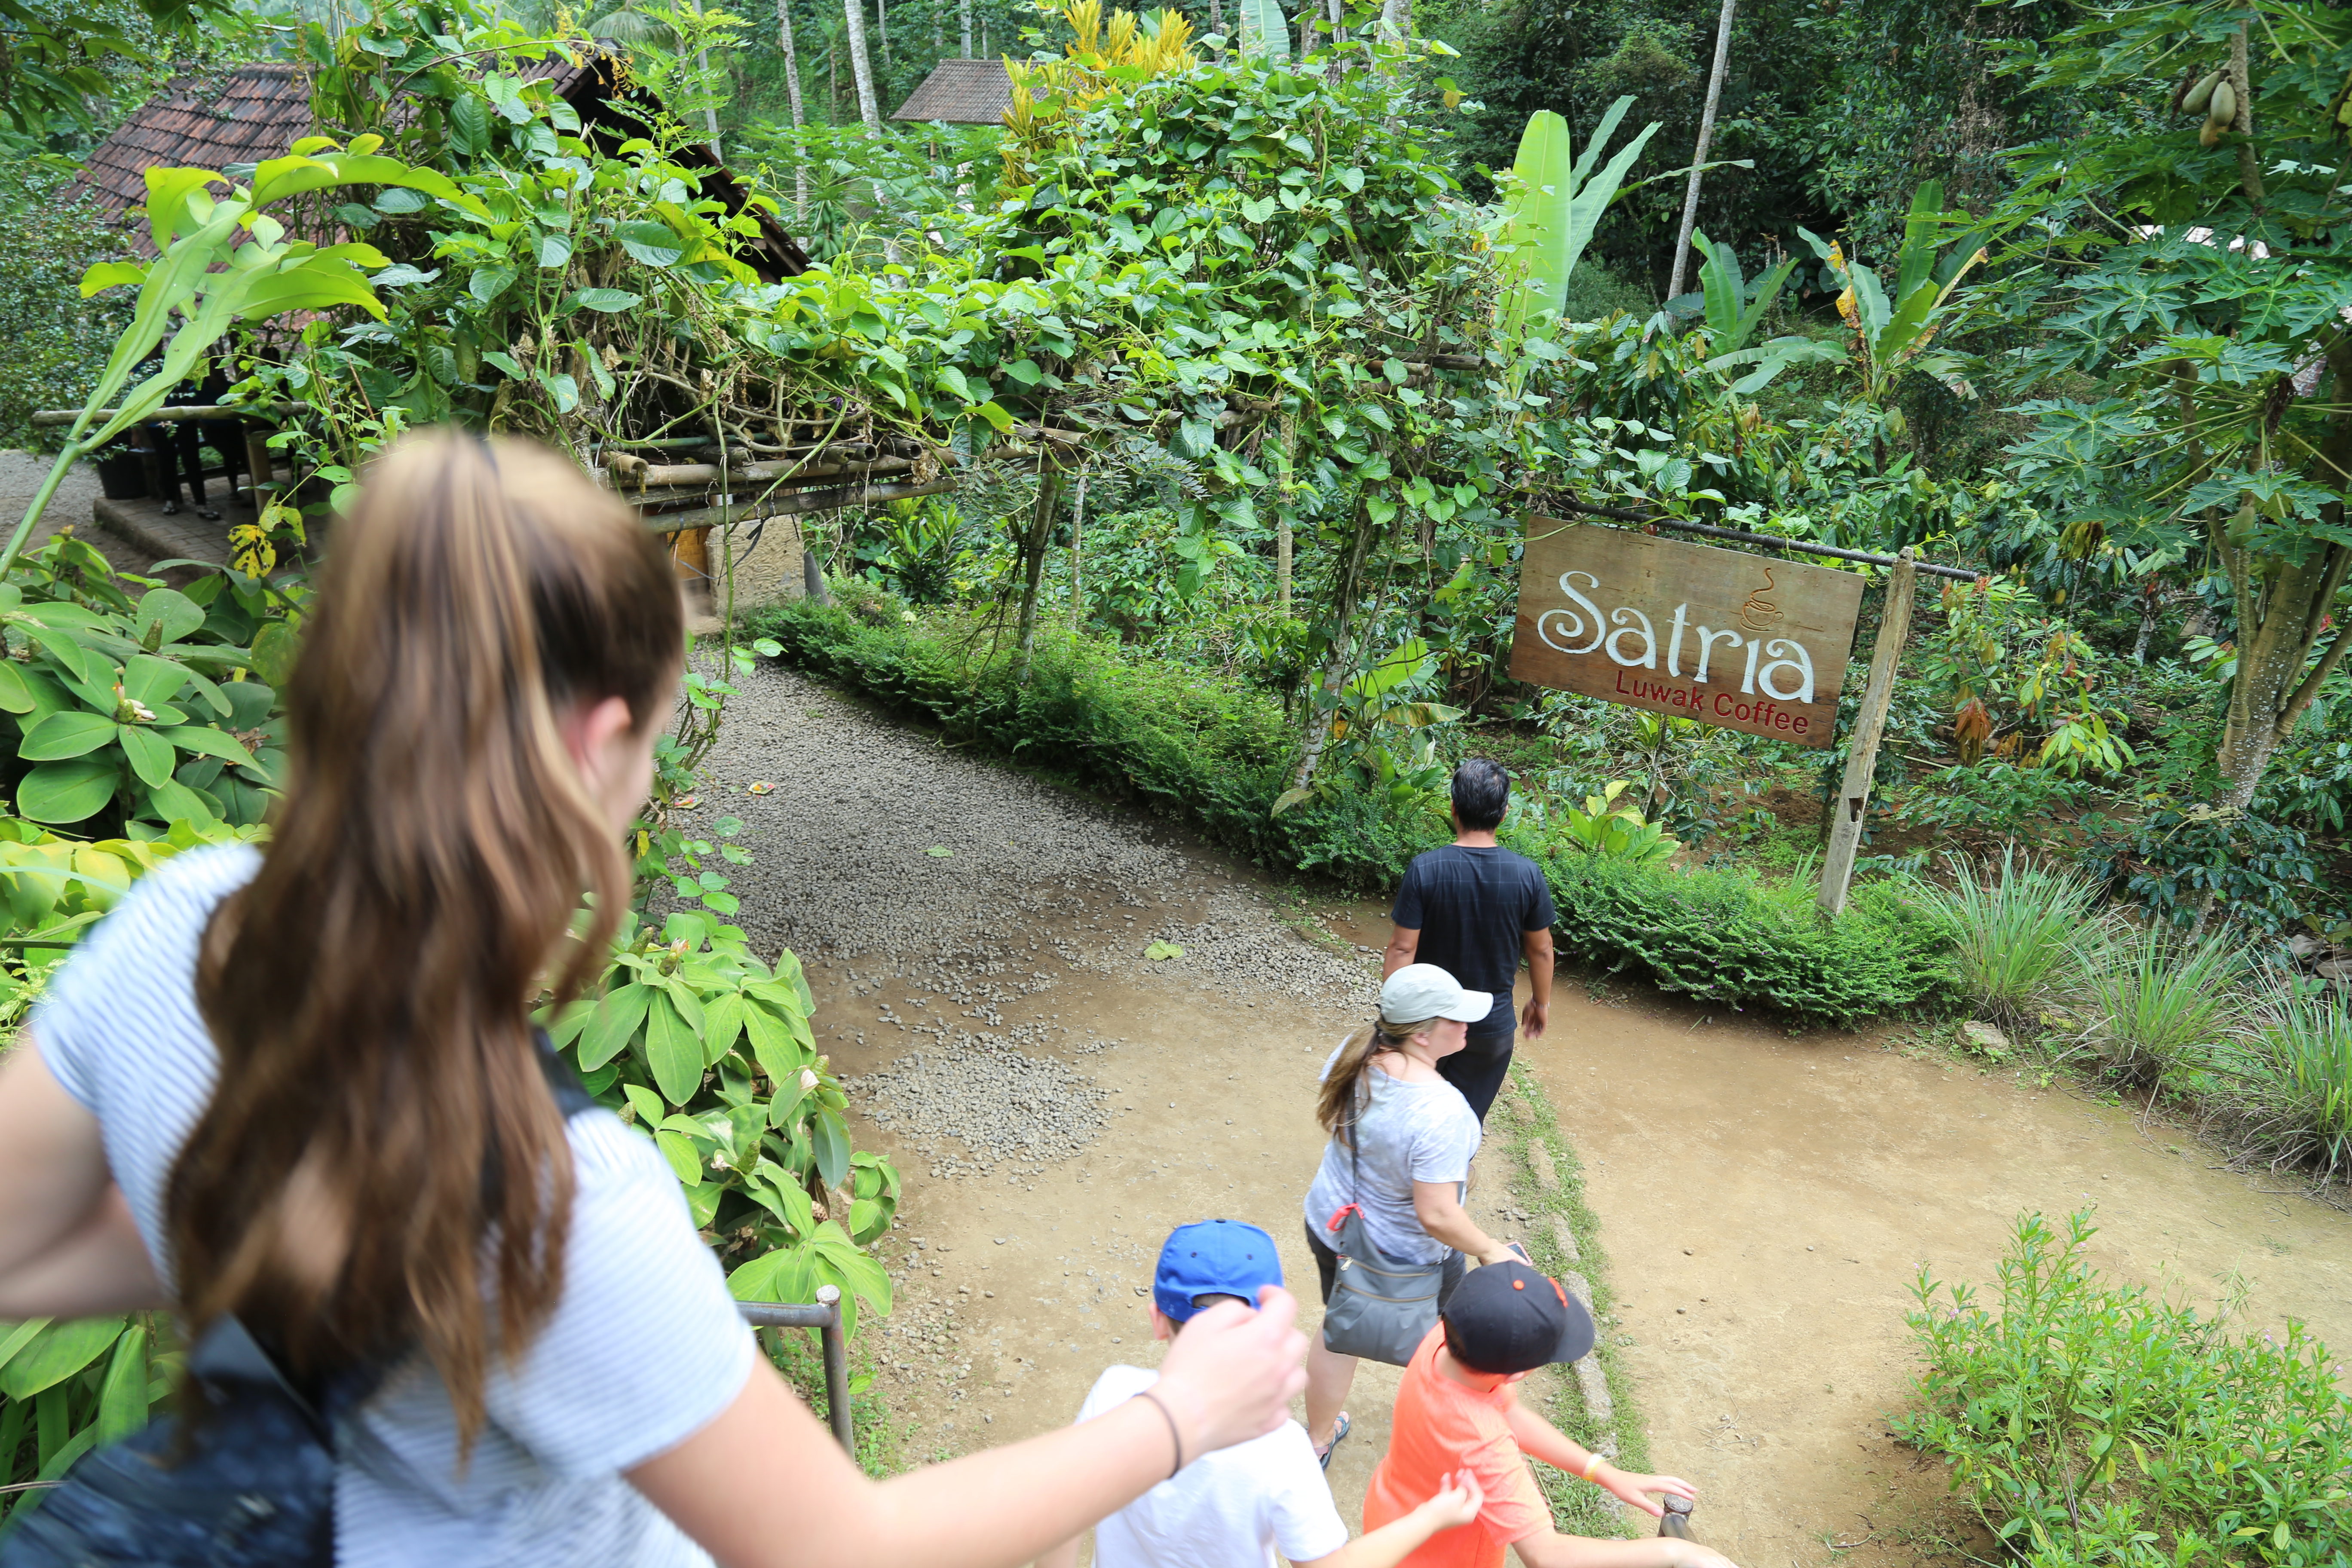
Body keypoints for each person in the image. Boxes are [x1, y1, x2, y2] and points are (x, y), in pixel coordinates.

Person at [0, 429, 1307, 1568]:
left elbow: (21, 1254)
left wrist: (272, 1227)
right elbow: (842, 1544)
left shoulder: (177, 924)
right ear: (590, 744)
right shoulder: (566, 1200)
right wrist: (1181, 1412)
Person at [1036, 1219, 1484, 1568]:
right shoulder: (1281, 1447)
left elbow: (1058, 1518)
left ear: (1158, 1319)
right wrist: (1433, 1516)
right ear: (1272, 1325)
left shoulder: (1113, 1391)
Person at [1363, 1262, 1732, 1568]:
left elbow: (1510, 1413)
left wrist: (1604, 1473)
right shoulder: (1480, 1444)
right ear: (1517, 1374)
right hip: (1445, 1558)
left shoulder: (1448, 1340)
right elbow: (1546, 1554)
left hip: (1392, 1516)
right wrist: (1677, 1552)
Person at [1302, 965, 1522, 1470]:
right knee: (1445, 1348)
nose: (1468, 1026)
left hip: (1332, 1222)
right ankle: (1446, 1447)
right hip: (1404, 1254)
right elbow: (1438, 1214)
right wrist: (1490, 1250)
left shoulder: (1355, 1053)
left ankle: (1315, 1441)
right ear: (1422, 1033)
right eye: (1456, 1018)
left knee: (1340, 1327)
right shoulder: (1442, 1111)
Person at [1383, 761, 1556, 1123]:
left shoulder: (1425, 869)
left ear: (1453, 808)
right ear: (1505, 813)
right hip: (1490, 1025)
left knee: (1407, 1102)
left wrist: (1393, 1012)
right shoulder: (1527, 875)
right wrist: (1540, 1002)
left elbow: (1402, 949)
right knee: (1463, 1115)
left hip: (1426, 1019)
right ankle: (1453, 1172)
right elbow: (1540, 949)